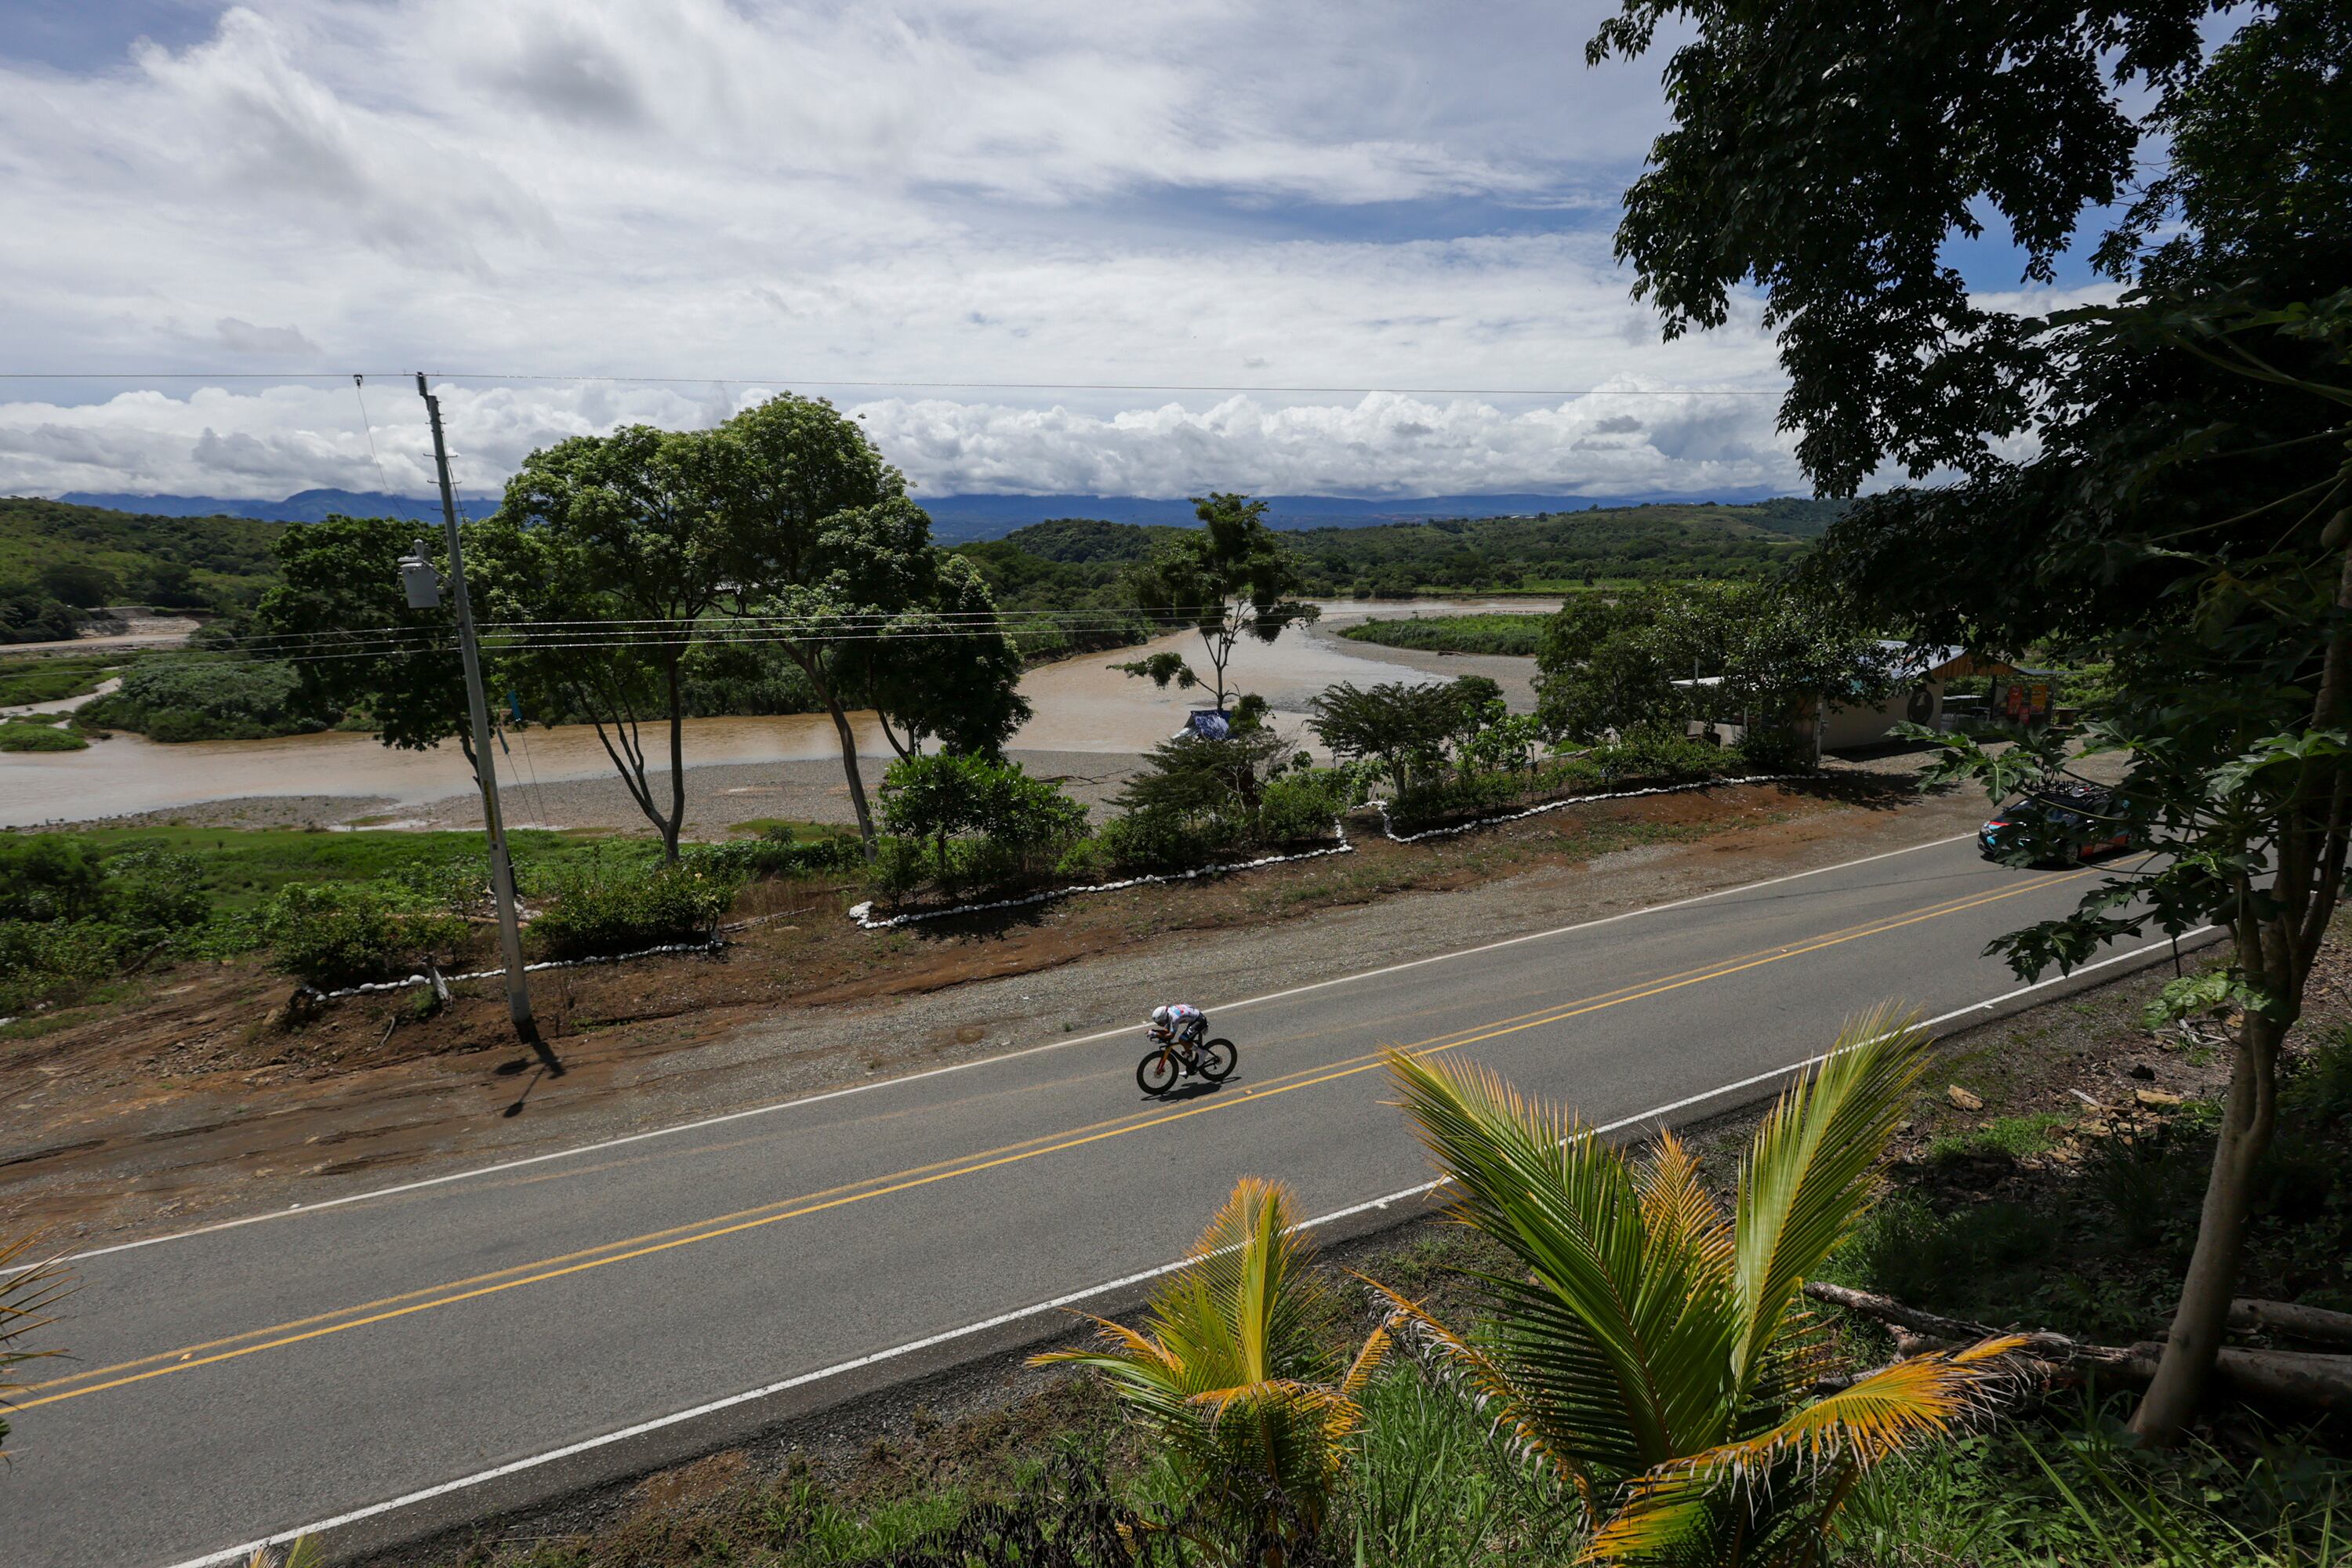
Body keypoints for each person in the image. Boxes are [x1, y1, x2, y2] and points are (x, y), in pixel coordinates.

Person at [1148, 1003, 1209, 1070]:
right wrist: (1155, 1031)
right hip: (1194, 1019)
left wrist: (1155, 1034)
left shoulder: (1175, 1018)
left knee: (1182, 1040)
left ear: (1164, 1018)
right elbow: (1166, 1031)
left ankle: (1202, 1053)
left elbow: (1171, 1035)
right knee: (1186, 1043)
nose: (1159, 1025)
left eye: (1159, 1023)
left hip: (1199, 1021)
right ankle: (1190, 1067)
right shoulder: (1167, 1014)